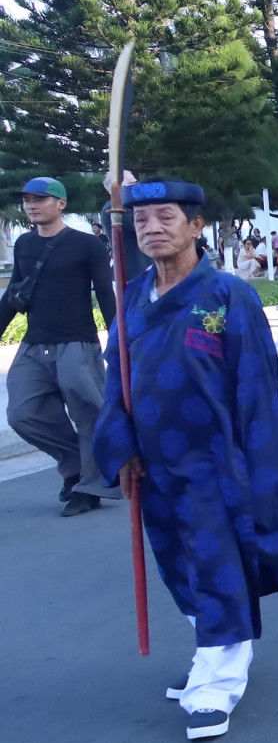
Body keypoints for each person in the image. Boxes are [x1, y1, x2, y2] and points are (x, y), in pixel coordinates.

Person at [93, 180, 278, 742]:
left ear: (196, 227)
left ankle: (218, 679)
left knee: (217, 564)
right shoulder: (129, 296)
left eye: (166, 217)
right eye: (142, 221)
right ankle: (210, 648)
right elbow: (116, 377)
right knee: (178, 564)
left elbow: (257, 385)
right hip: (152, 464)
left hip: (215, 463)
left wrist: (253, 463)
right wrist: (120, 445)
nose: (153, 228)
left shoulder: (227, 296)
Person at [2, 175, 122, 516]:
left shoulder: (87, 245)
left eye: (39, 199)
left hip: (77, 344)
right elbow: (15, 294)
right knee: (22, 414)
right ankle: (76, 464)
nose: (31, 205)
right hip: (34, 345)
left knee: (90, 414)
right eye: (27, 200)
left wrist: (118, 338)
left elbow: (104, 293)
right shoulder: (24, 244)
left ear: (61, 204)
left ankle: (89, 488)